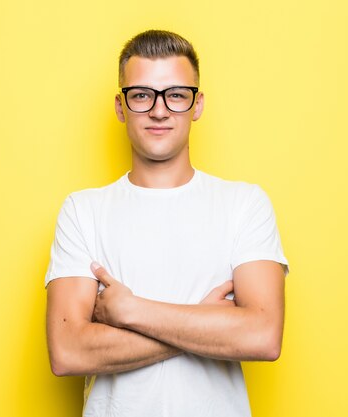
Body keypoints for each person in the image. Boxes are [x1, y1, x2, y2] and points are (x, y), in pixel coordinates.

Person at [44, 29, 289, 417]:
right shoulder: (82, 211)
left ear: (197, 104)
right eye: (142, 95)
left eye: (175, 94)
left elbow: (262, 337)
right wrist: (208, 323)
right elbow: (68, 352)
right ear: (121, 106)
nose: (160, 110)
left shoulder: (245, 204)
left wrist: (130, 311)